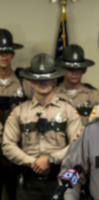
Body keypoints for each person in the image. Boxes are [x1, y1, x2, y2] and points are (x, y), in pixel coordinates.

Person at [2, 53, 82, 200]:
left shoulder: (68, 110)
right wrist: (32, 161)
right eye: (38, 79)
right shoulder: (19, 112)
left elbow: (77, 145)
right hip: (27, 184)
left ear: (54, 80)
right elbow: (7, 145)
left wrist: (51, 159)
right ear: (31, 81)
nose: (42, 82)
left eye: (47, 79)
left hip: (60, 181)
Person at [0, 28, 32, 200]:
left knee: (17, 195)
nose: (3, 56)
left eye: (6, 52)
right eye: (0, 52)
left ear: (12, 54)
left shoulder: (23, 82)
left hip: (17, 148)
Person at [54, 44, 99, 125]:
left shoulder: (93, 94)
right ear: (63, 69)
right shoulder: (53, 94)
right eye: (70, 69)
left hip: (85, 136)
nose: (74, 73)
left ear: (84, 70)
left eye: (78, 69)